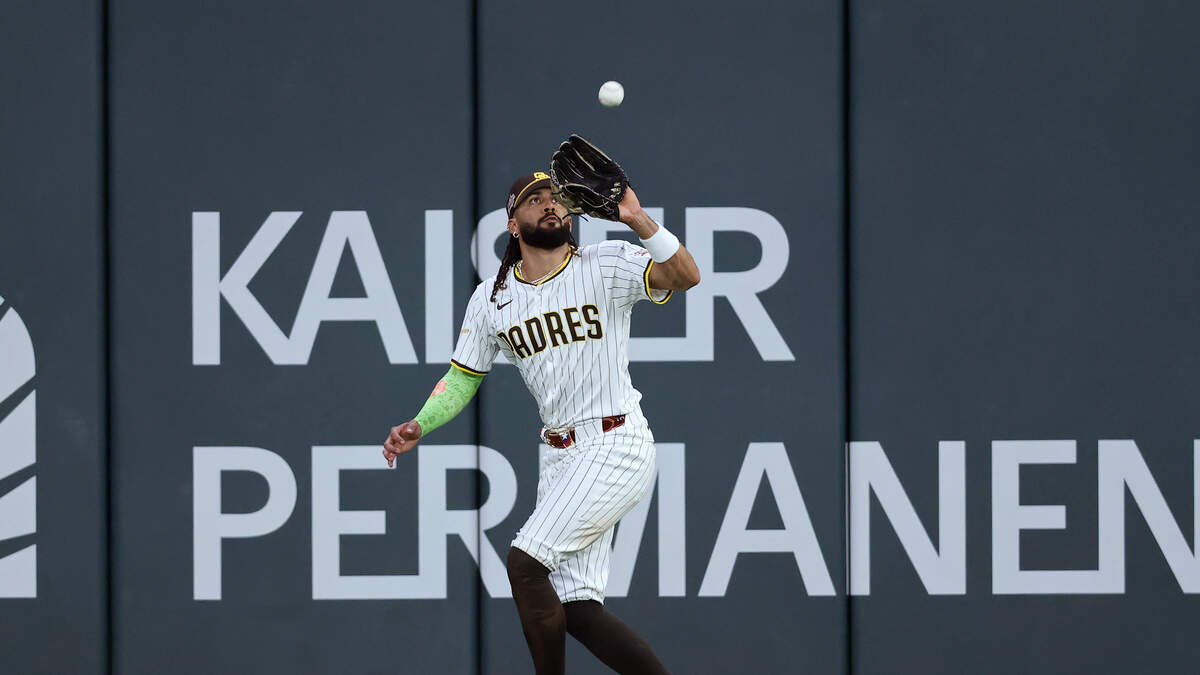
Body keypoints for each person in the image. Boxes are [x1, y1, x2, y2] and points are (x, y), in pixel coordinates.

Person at [384, 169, 700, 674]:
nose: (550, 204)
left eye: (556, 197)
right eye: (534, 199)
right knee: (577, 611)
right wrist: (421, 423)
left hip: (616, 441)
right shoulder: (492, 298)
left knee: (525, 563)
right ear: (513, 224)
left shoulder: (606, 262)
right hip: (560, 457)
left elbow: (685, 276)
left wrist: (637, 218)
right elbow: (463, 377)